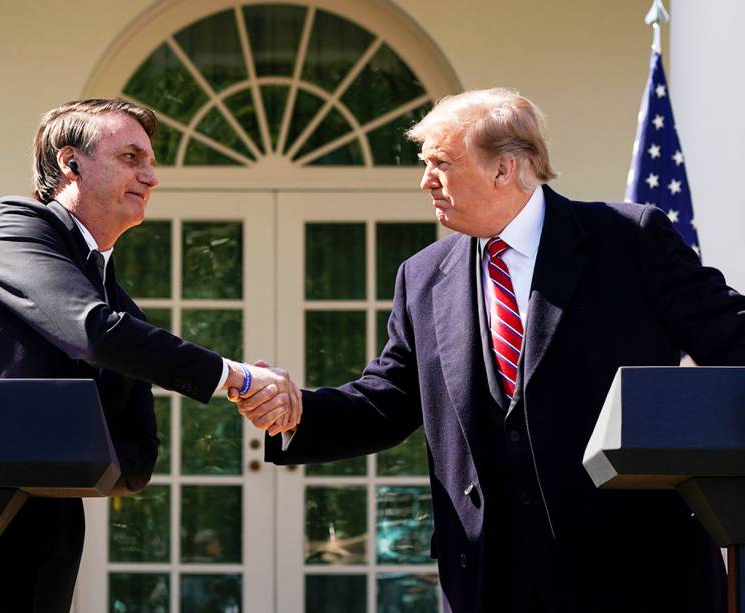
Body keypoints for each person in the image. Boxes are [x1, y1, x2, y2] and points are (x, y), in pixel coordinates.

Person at [235, 88, 745, 612]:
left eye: (440, 163)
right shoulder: (423, 275)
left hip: (636, 571)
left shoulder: (628, 238)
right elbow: (387, 400)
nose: (425, 180)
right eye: (423, 163)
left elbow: (732, 337)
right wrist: (295, 411)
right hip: (488, 578)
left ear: (505, 169)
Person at [0, 99, 299, 613]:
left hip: (42, 548)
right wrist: (236, 378)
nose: (150, 176)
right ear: (70, 162)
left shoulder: (120, 307)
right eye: (130, 157)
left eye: (151, 161)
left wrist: (65, 453)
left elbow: (138, 455)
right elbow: (90, 332)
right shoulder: (11, 227)